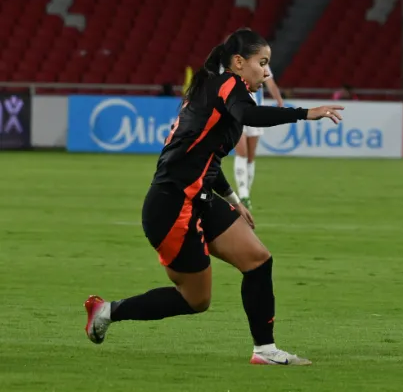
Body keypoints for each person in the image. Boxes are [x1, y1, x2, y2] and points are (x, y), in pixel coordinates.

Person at [83, 28, 343, 366]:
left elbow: (207, 158)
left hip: (196, 198)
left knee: (258, 259)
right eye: (261, 63)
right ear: (238, 62)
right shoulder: (228, 87)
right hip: (172, 206)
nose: (266, 71)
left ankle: (265, 351)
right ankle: (106, 311)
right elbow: (248, 117)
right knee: (196, 300)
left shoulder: (217, 89)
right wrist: (305, 113)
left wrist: (233, 200)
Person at [233, 67, 283, 210]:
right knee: (241, 153)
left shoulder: (261, 62)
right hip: (235, 112)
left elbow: (270, 83)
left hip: (255, 113)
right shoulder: (230, 60)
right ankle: (243, 195)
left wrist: (279, 100)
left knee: (250, 157)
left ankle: (246, 193)